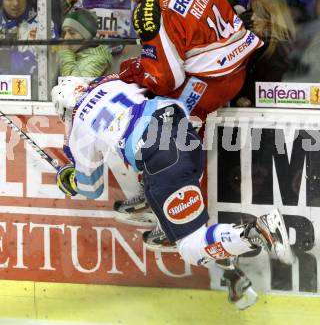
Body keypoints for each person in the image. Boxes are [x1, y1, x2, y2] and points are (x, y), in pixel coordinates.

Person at [51, 75, 293, 308]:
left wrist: (68, 178)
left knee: (188, 246)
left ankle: (258, 228)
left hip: (161, 157)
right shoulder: (111, 82)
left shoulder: (78, 125)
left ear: (63, 110)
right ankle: (233, 276)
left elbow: (90, 189)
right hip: (183, 133)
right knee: (189, 224)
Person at [110, 0, 263, 122]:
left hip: (213, 84)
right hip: (240, 65)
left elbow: (168, 80)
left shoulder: (148, 12)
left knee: (167, 120)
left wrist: (136, 71)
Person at [235, 0, 296, 107]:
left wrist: (241, 97)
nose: (252, 18)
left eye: (258, 13)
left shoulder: (277, 51)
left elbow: (268, 93)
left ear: (271, 16)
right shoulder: (264, 45)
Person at [57, 8, 112, 78]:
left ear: (86, 36)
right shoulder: (78, 52)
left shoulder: (97, 60)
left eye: (72, 33)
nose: (66, 37)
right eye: (65, 33)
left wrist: (66, 52)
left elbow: (73, 85)